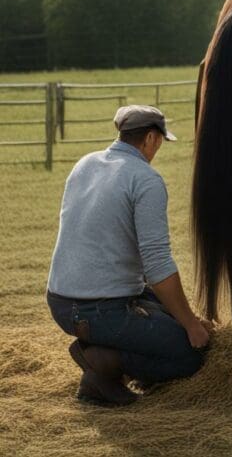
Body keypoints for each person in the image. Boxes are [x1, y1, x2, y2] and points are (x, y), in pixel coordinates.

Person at [46, 105, 211, 406]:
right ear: (151, 138)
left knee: (173, 323)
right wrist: (191, 325)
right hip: (97, 308)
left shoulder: (85, 163)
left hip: (61, 301)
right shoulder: (146, 179)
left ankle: (103, 348)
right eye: (161, 140)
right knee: (191, 354)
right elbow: (158, 265)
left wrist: (186, 318)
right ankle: (102, 360)